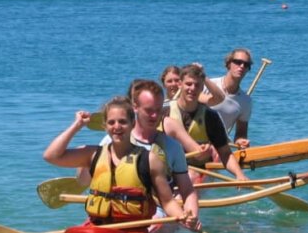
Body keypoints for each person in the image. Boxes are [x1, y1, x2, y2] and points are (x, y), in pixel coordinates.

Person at [43, 96, 199, 233]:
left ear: (133, 123)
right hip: (97, 228)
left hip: (134, 229)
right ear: (105, 126)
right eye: (111, 122)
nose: (117, 126)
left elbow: (167, 201)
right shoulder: (93, 154)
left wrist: (183, 216)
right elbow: (51, 156)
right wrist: (76, 126)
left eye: (122, 122)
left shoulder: (150, 160)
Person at [100, 80, 201, 229]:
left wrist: (191, 215)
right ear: (135, 107)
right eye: (149, 110)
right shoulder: (110, 141)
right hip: (114, 214)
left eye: (158, 110)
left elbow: (187, 190)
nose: (154, 116)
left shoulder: (172, 147)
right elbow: (83, 179)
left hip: (154, 215)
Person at [161, 64, 249, 182]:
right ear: (180, 84)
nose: (192, 88)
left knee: (191, 176)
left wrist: (239, 175)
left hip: (197, 170)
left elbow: (225, 153)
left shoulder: (210, 116)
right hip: (168, 169)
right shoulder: (163, 111)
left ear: (202, 88)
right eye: (188, 84)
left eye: (197, 85)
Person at [207, 48, 254, 149]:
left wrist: (242, 142)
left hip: (218, 148)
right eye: (238, 62)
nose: (242, 66)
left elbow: (241, 134)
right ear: (228, 64)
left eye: (246, 64)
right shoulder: (209, 85)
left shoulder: (246, 101)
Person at [161, 63, 225, 107]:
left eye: (176, 80)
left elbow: (219, 98)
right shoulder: (162, 103)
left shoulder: (192, 97)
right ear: (164, 84)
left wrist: (202, 75)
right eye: (169, 81)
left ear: (181, 82)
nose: (174, 84)